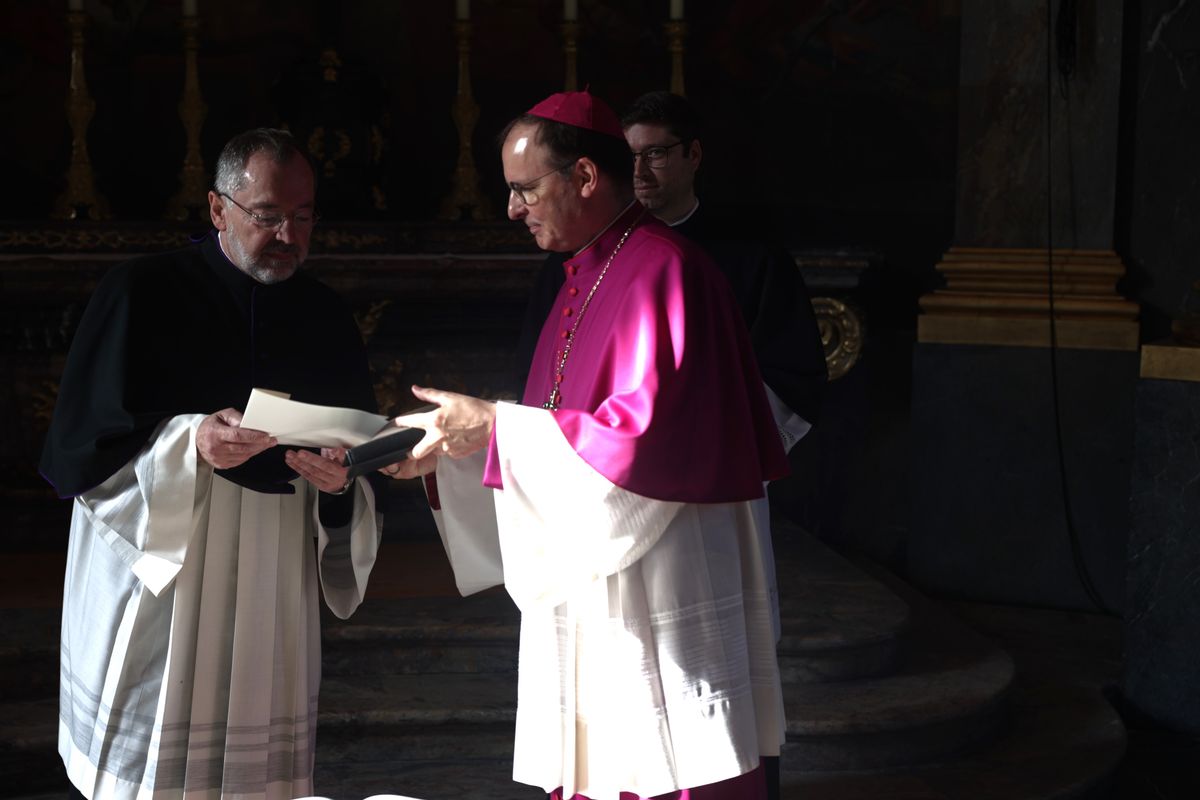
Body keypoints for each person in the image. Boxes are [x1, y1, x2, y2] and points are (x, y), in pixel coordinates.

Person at [388, 90, 788, 800]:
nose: (513, 209)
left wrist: (497, 428)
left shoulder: (666, 271)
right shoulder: (581, 273)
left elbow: (642, 441)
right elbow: (558, 429)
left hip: (660, 569)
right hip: (600, 576)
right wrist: (454, 446)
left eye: (525, 189)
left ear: (584, 177)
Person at [40, 128, 381, 800]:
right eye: (268, 215)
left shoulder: (325, 316)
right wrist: (188, 441)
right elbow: (82, 449)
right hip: (166, 562)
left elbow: (355, 450)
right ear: (218, 208)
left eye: (304, 216)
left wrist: (341, 483)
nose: (289, 235)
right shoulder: (140, 292)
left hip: (273, 563)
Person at [515, 90, 827, 451]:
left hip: (707, 452)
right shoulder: (576, 258)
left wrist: (704, 440)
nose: (639, 171)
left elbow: (791, 377)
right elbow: (536, 372)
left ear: (693, 155)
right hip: (595, 454)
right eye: (631, 156)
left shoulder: (755, 258)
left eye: (655, 154)